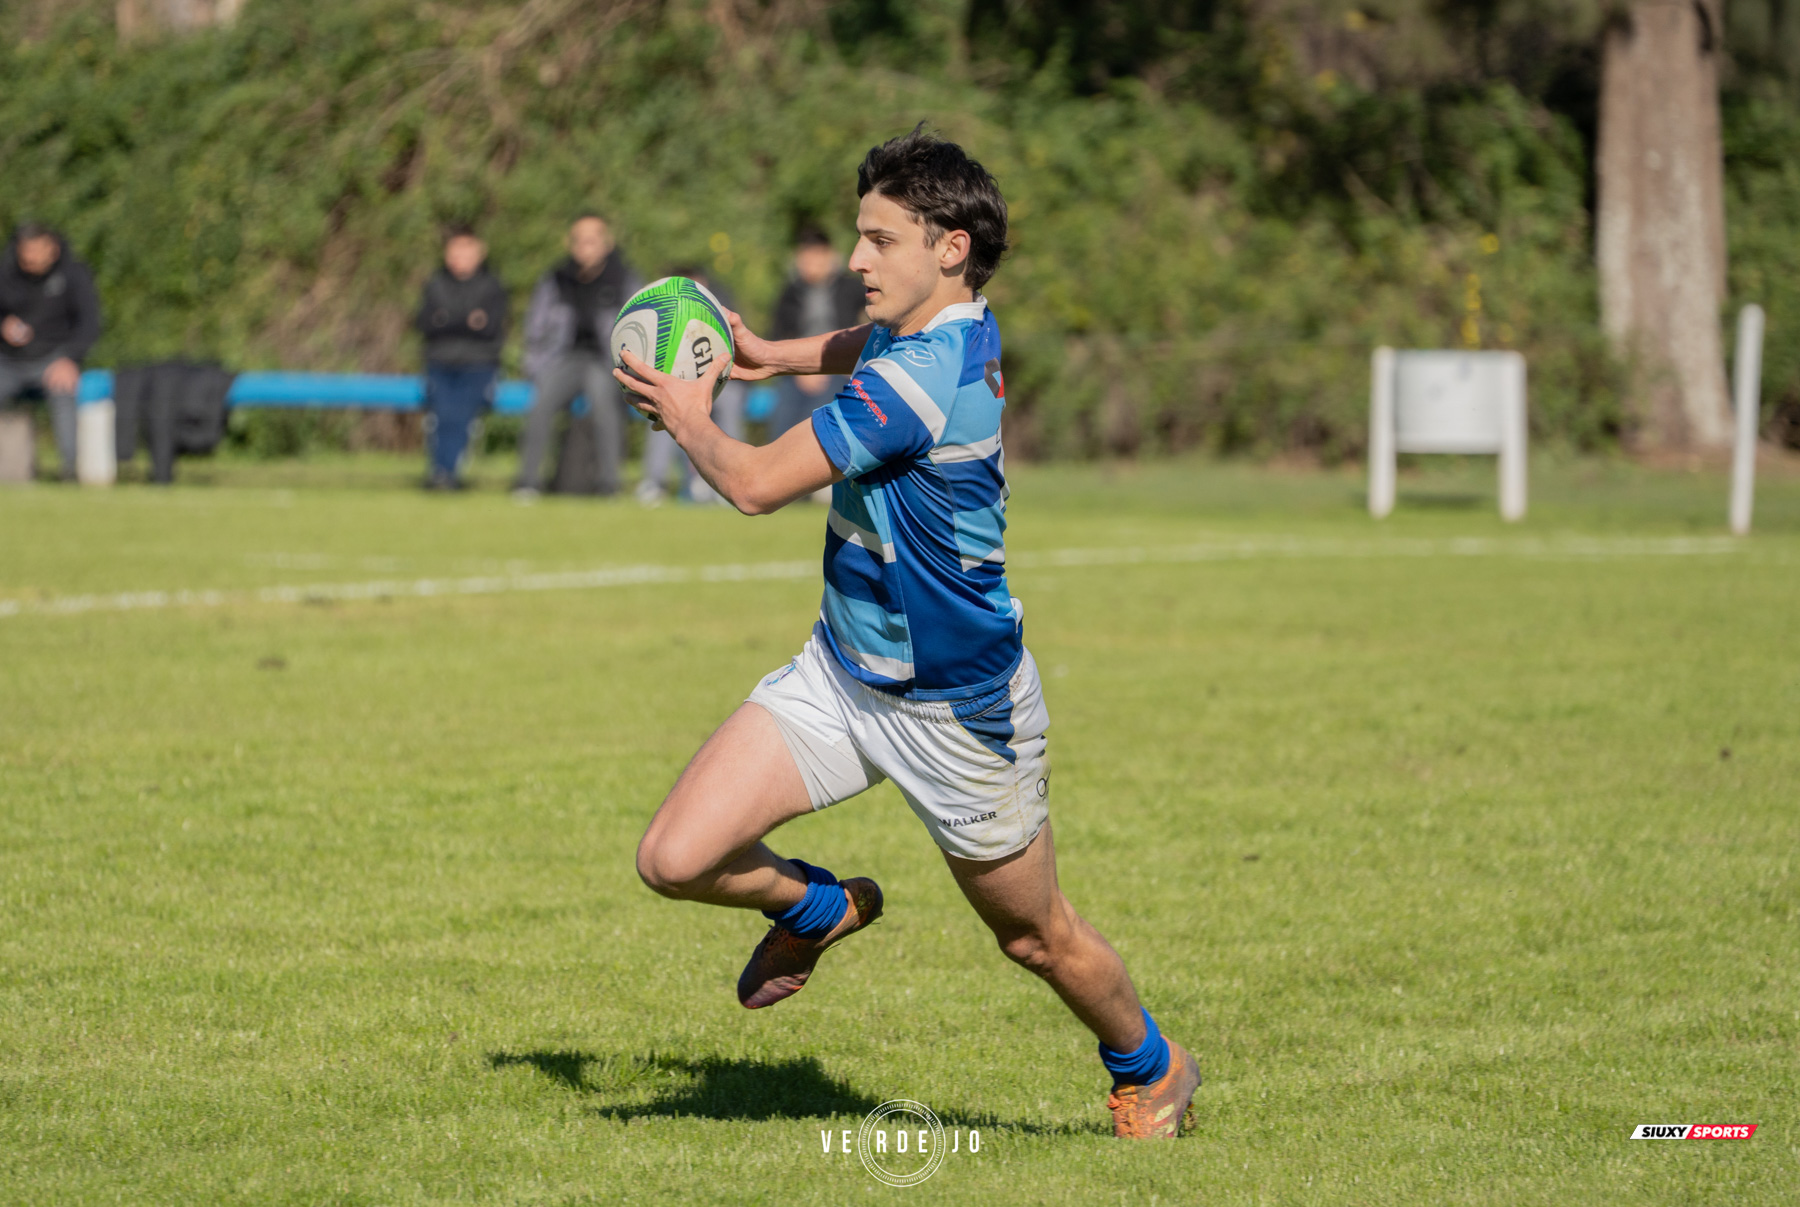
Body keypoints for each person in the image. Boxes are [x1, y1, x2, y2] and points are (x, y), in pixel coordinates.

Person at [614, 128, 1201, 1140]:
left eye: (879, 240)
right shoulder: (949, 329)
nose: (855, 260)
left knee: (1036, 939)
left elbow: (752, 486)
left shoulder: (923, 383)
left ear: (950, 248)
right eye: (858, 236)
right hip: (843, 676)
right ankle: (814, 909)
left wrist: (689, 408)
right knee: (673, 856)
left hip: (958, 711)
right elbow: (858, 347)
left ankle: (1152, 1063)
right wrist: (764, 356)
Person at [514, 213, 642, 497]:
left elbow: (640, 328)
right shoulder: (556, 278)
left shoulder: (623, 278)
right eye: (580, 241)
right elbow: (535, 327)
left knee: (604, 405)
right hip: (564, 358)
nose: (586, 247)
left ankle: (609, 484)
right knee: (541, 404)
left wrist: (628, 369)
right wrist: (536, 368)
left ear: (606, 243)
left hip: (605, 361)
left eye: (592, 241)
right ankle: (527, 483)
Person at [635, 266, 747, 506]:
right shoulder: (661, 309)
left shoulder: (719, 305)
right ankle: (654, 482)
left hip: (721, 381)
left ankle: (734, 479)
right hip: (676, 382)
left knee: (731, 400)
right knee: (661, 406)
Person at [0, 223, 102, 480]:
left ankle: (70, 470)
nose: (31, 257)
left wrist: (70, 359)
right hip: (8, 362)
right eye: (26, 251)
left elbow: (90, 324)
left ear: (52, 248)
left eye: (37, 250)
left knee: (64, 389)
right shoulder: (5, 272)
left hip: (53, 360)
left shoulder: (74, 274)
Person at [416, 225, 508, 491]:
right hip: (440, 362)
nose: (460, 256)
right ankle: (443, 473)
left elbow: (490, 327)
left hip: (479, 364)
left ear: (479, 252)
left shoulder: (492, 285)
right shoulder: (435, 284)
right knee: (442, 414)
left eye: (466, 250)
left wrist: (448, 319)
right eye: (455, 249)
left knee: (460, 414)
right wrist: (467, 321)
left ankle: (446, 472)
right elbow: (426, 324)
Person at [765, 224, 865, 442]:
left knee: (818, 423)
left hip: (839, 367)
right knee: (783, 424)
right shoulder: (790, 292)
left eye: (815, 257)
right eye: (804, 258)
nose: (809, 264)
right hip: (796, 371)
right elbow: (777, 334)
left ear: (829, 256)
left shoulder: (851, 287)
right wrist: (799, 369)